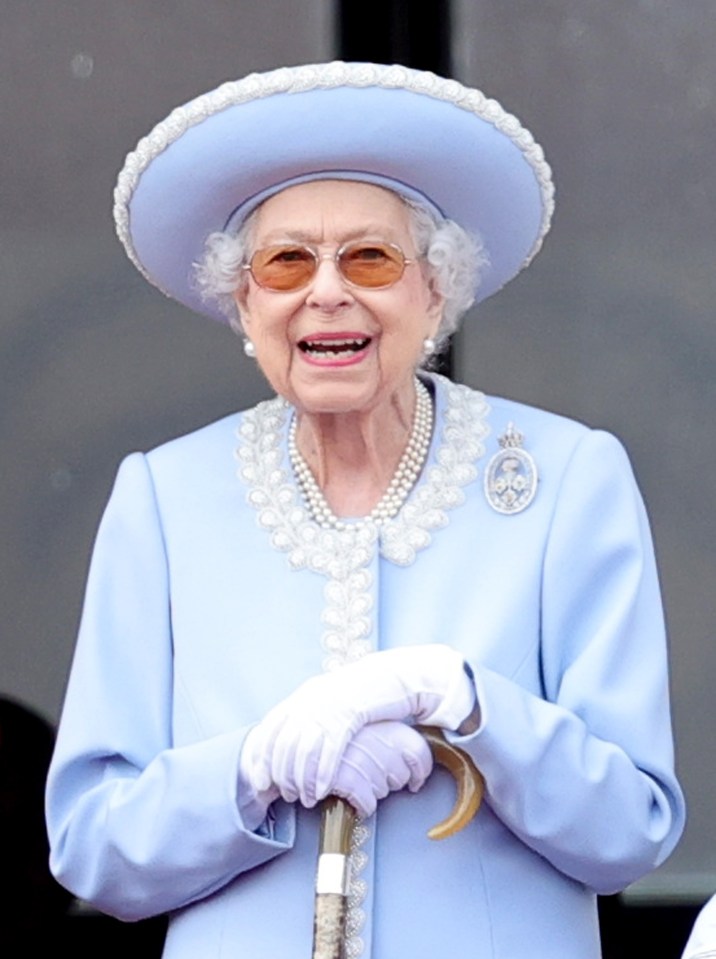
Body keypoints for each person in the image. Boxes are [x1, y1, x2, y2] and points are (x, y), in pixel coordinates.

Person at [46, 61, 685, 958]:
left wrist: (467, 704)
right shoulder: (163, 497)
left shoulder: (569, 478)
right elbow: (92, 849)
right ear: (244, 303)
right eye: (286, 262)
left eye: (372, 257)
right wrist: (251, 768)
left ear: (436, 293)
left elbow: (630, 832)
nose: (327, 291)